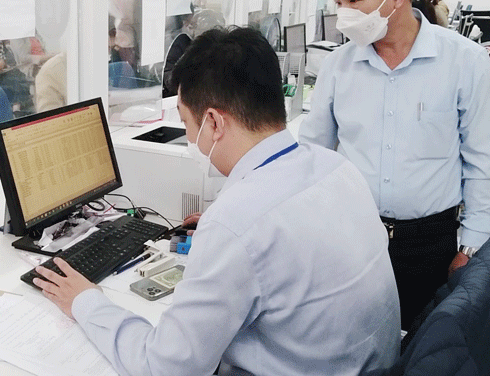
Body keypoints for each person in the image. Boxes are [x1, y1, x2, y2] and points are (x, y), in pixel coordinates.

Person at [33, 27, 400, 376]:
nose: (190, 137)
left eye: (186, 123)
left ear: (213, 122)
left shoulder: (236, 223)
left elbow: (165, 367)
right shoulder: (336, 167)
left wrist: (86, 302)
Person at [299, 0, 490, 331]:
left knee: (423, 347)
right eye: (338, 3)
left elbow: (484, 159)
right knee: (354, 339)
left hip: (431, 243)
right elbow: (311, 152)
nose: (343, 15)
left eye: (353, 1)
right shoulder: (339, 66)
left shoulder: (464, 62)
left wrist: (470, 247)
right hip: (354, 235)